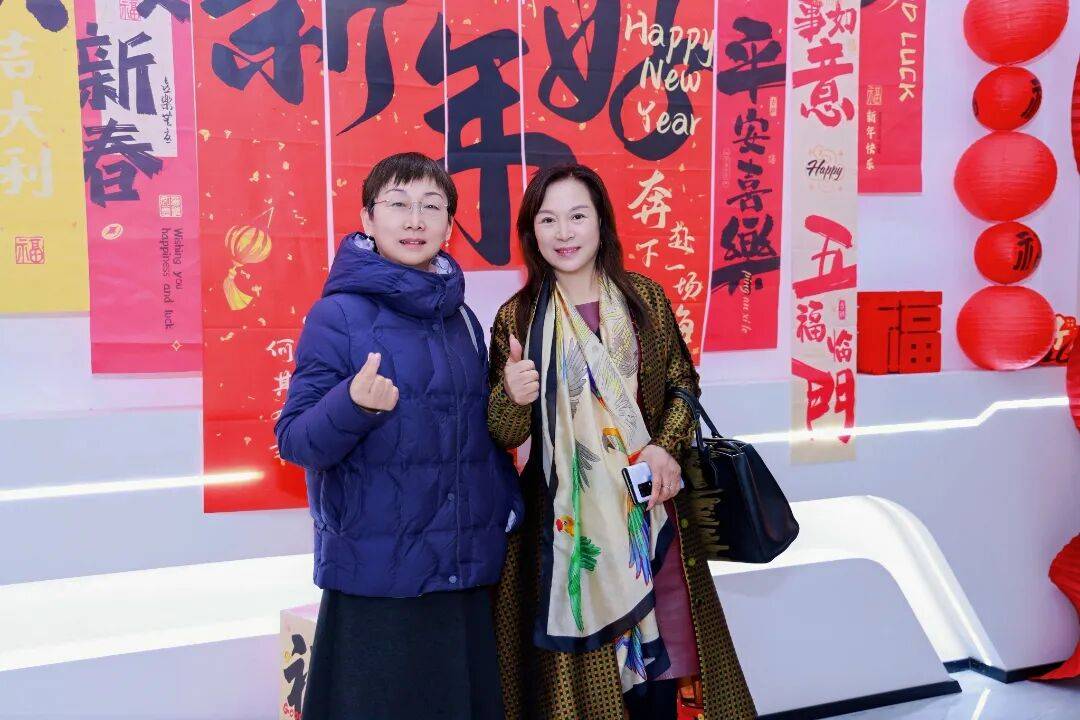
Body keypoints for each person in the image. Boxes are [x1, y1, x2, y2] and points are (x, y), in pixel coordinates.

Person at [487, 164, 757, 719]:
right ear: (531, 232)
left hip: (651, 513)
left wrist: (662, 447)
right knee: (586, 694)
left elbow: (683, 383)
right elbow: (505, 435)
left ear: (601, 223)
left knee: (659, 685)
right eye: (548, 219)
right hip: (567, 532)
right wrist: (511, 396)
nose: (564, 232)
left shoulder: (643, 299)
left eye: (577, 216)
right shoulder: (516, 318)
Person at [275, 152, 522, 720]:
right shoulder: (337, 315)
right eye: (398, 204)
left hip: (459, 573)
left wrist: (509, 404)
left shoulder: (463, 318)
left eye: (431, 207)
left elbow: (474, 441)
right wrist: (353, 405)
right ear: (368, 218)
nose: (415, 220)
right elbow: (295, 440)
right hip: (378, 578)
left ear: (448, 225)